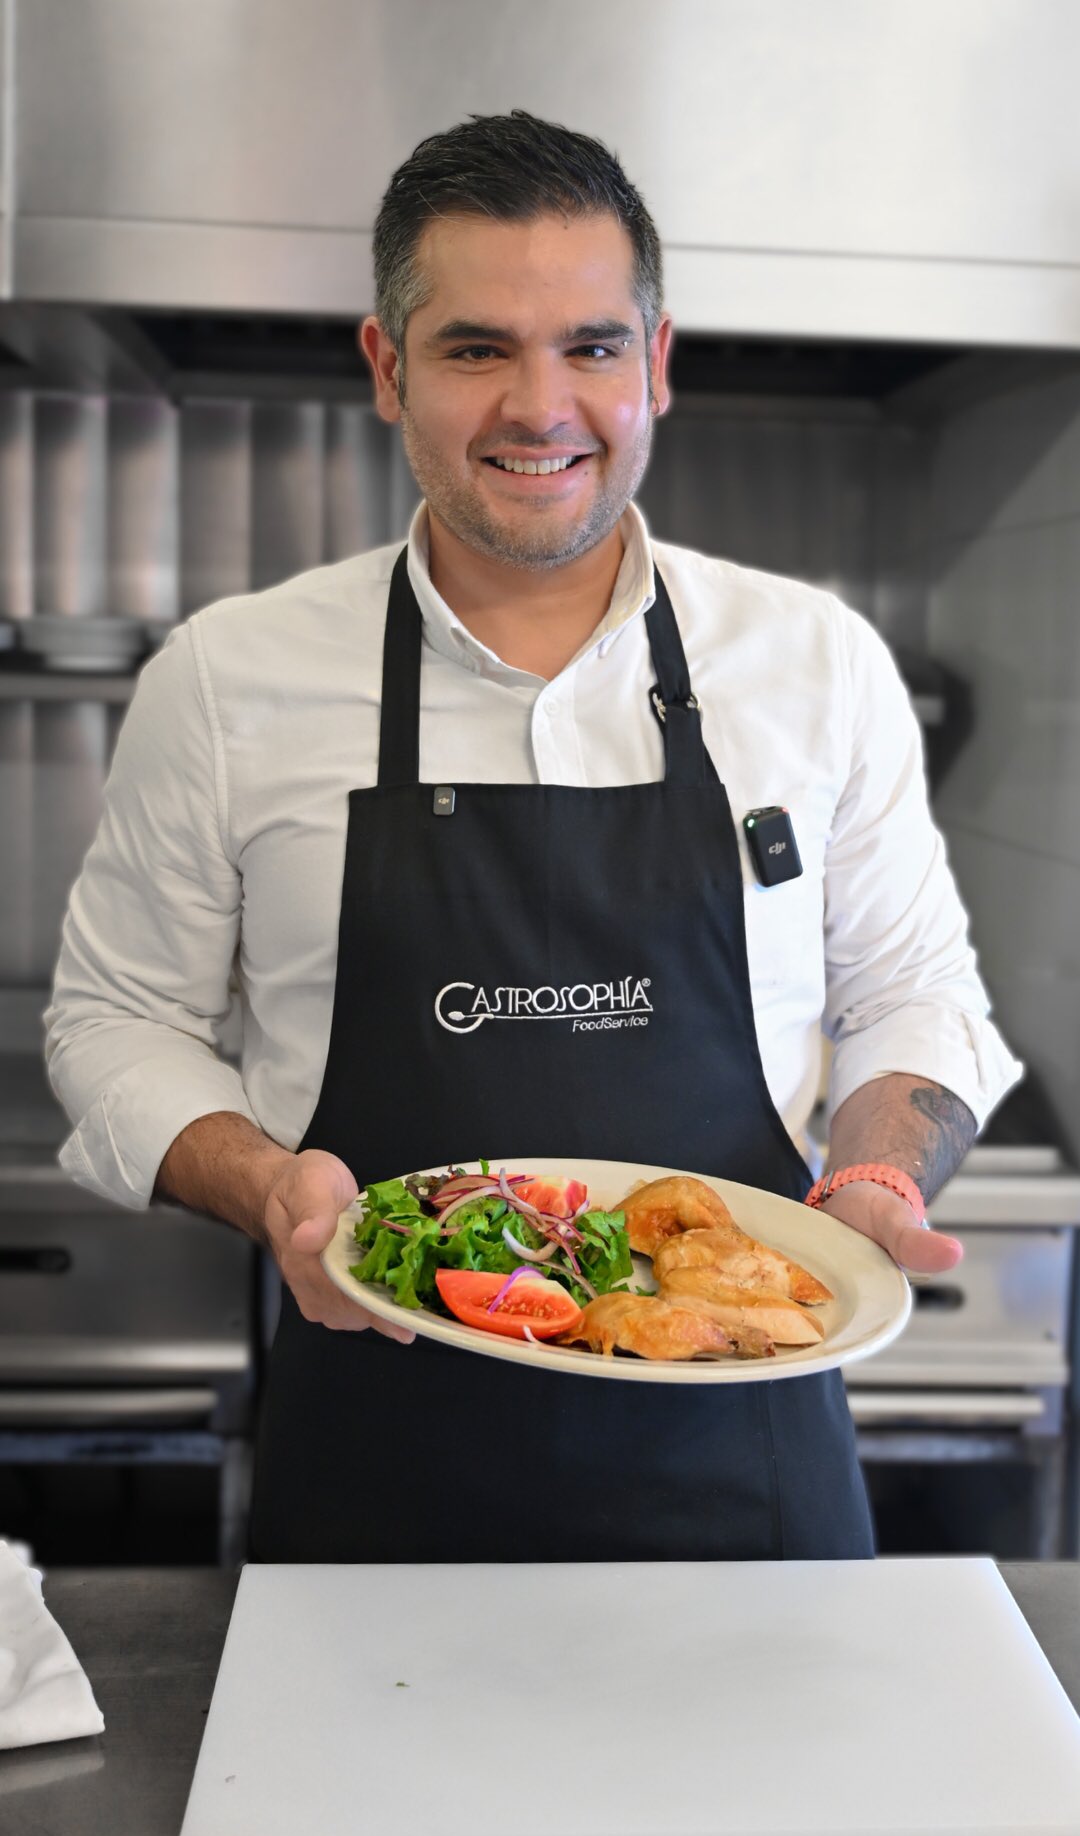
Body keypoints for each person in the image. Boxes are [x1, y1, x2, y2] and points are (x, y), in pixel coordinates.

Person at [44, 110, 1020, 1562]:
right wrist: (266, 1187)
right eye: (476, 348)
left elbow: (914, 993)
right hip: (376, 1455)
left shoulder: (815, 663)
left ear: (657, 362)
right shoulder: (228, 678)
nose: (540, 405)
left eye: (591, 347)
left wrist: (873, 1182)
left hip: (745, 1459)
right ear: (389, 368)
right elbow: (117, 1022)